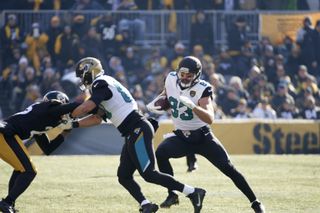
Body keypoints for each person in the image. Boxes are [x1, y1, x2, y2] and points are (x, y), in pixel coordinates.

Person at [59, 57, 206, 213]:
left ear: (90, 71)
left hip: (138, 128)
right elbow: (96, 118)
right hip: (132, 131)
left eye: (82, 75)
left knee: (149, 174)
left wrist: (68, 115)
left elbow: (86, 107)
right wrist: (72, 124)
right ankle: (146, 204)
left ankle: (193, 192)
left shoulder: (100, 83)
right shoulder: (103, 85)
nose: (82, 79)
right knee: (124, 176)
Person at [146, 56, 265, 213]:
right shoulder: (170, 78)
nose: (185, 78)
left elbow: (210, 118)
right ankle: (173, 194)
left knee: (229, 169)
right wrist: (159, 102)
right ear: (177, 72)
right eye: (183, 74)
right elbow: (167, 94)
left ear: (197, 75)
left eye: (189, 75)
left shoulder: (203, 88)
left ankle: (255, 202)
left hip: (202, 137)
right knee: (161, 153)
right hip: (182, 136)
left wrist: (193, 107)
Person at [0, 91, 80, 213]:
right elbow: (67, 108)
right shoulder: (49, 107)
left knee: (21, 169)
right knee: (29, 171)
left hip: (6, 134)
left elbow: (47, 148)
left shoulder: (42, 117)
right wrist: (89, 103)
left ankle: (9, 203)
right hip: (5, 133)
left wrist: (65, 133)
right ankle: (7, 203)